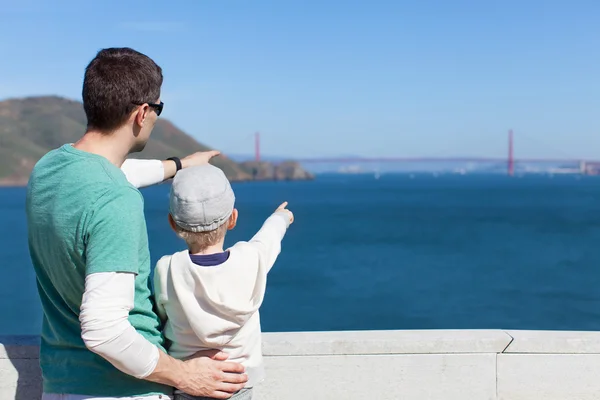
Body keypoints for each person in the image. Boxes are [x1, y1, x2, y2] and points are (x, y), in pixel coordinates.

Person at [26, 47, 248, 400]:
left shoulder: (48, 170)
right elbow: (104, 331)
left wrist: (179, 164)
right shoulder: (116, 200)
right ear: (142, 113)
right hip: (122, 391)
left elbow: (112, 173)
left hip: (62, 386)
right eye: (158, 108)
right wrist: (186, 376)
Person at [153, 165, 294, 400]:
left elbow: (160, 315)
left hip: (189, 380)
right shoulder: (251, 258)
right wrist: (281, 217)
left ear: (173, 223)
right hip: (239, 381)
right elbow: (269, 237)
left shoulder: (167, 268)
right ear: (233, 219)